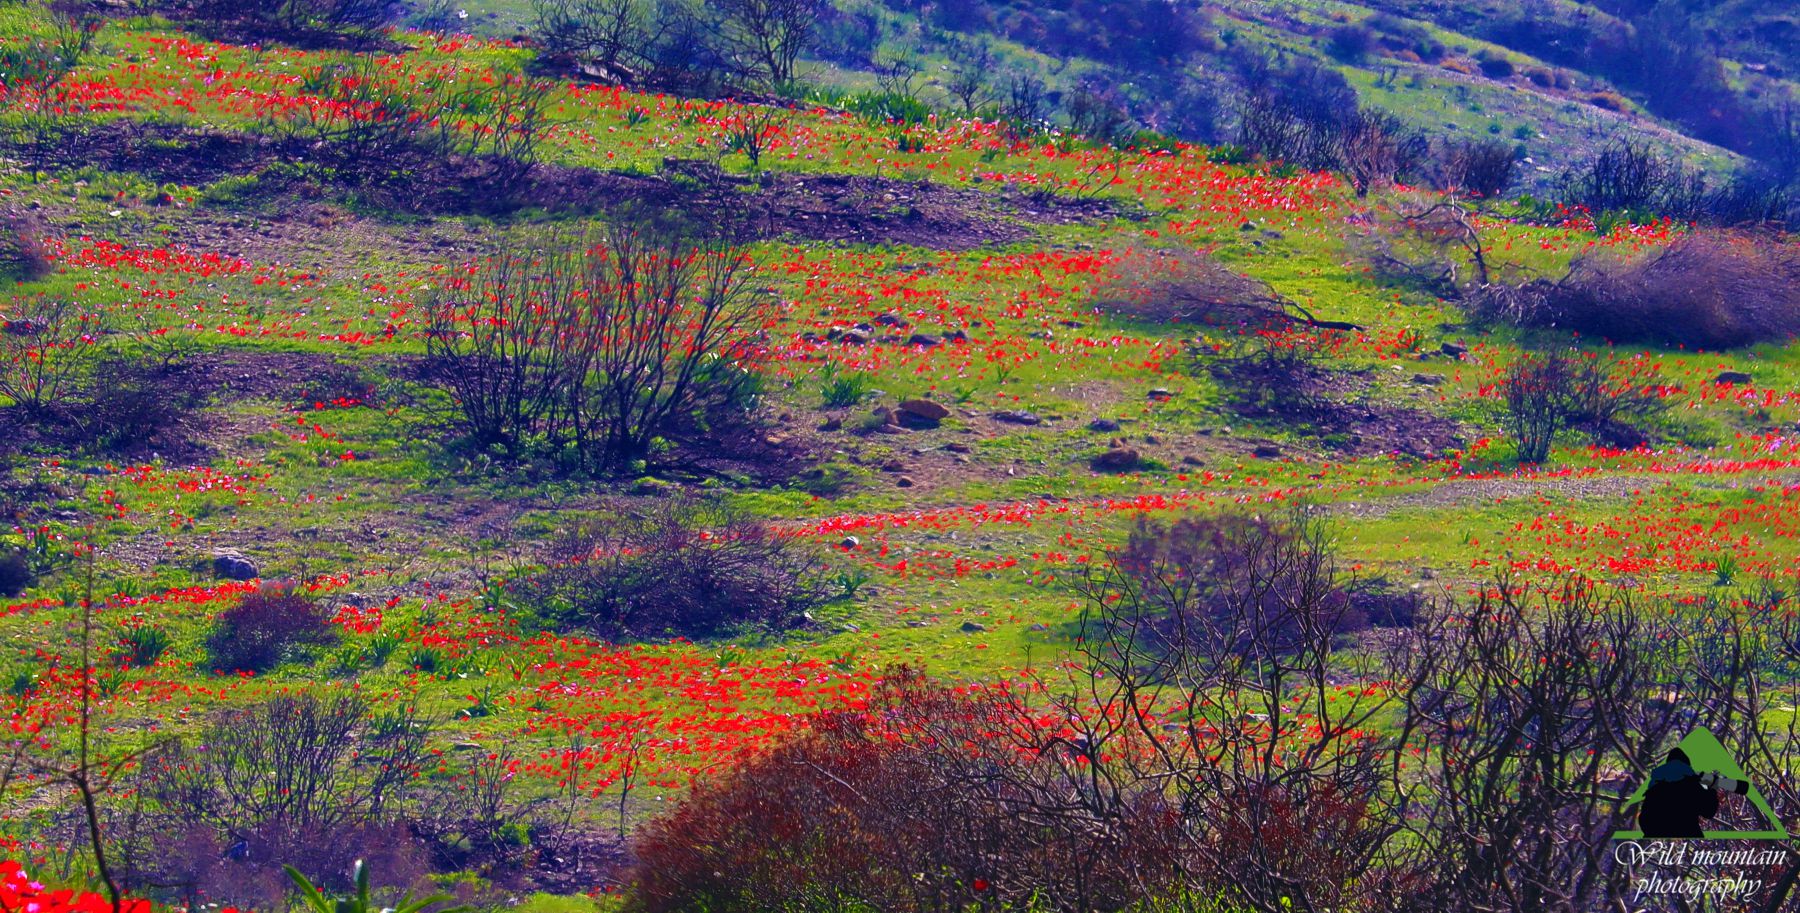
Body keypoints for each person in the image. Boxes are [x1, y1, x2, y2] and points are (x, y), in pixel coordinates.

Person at [1638, 747, 1719, 838]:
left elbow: (1644, 819)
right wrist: (1711, 789)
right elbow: (1709, 812)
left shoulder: (1655, 784)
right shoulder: (1692, 783)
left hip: (1654, 835)